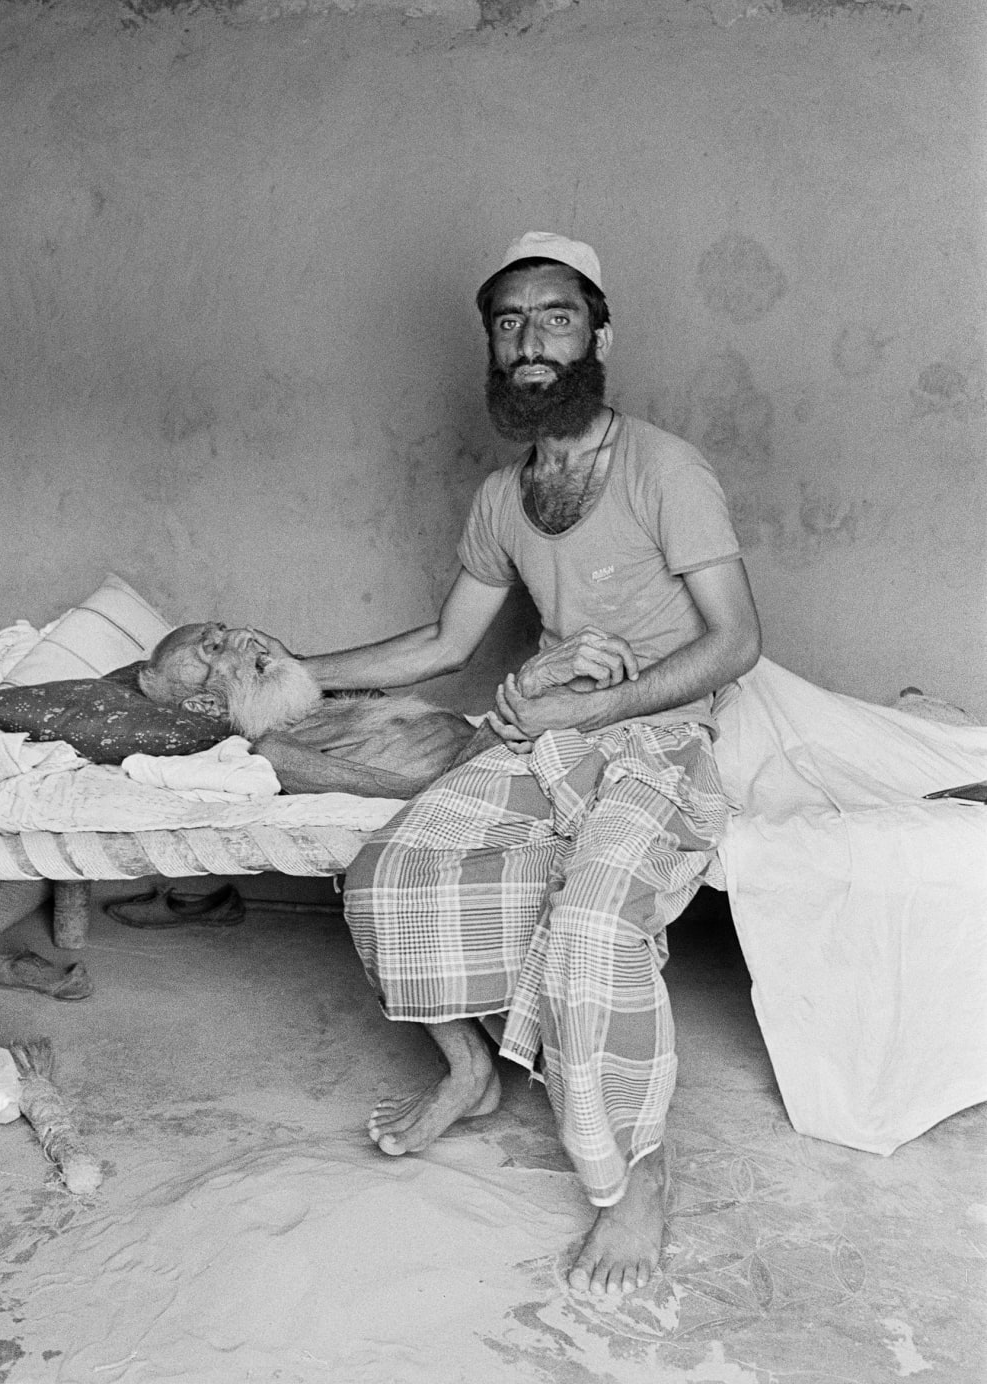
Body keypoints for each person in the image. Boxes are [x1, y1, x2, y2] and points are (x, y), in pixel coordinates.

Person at [293, 231, 762, 1297]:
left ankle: (634, 1176)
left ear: (600, 332)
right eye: (507, 322)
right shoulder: (504, 496)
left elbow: (733, 641)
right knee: (387, 874)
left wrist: (594, 702)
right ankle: (470, 1073)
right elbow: (442, 645)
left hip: (658, 738)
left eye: (554, 316)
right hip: (544, 738)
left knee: (593, 921)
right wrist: (292, 671)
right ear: (492, 350)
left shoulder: (661, 466)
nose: (528, 339)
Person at [134, 620, 480, 799]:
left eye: (225, 629)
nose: (242, 633)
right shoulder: (276, 748)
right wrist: (449, 789)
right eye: (215, 646)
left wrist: (292, 665)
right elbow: (405, 790)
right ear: (208, 705)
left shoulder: (320, 702)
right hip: (476, 777)